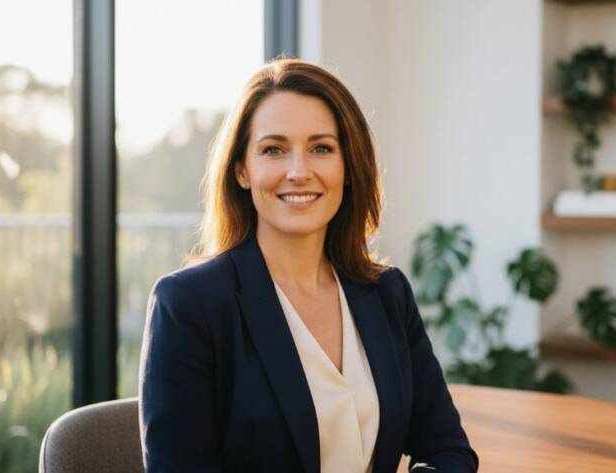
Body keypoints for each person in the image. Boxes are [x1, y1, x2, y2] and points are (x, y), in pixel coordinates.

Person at [138, 58, 478, 473]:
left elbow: (450, 451)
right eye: (273, 150)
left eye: (321, 148)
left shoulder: (387, 293)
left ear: (348, 167)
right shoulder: (189, 305)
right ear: (242, 170)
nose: (299, 172)